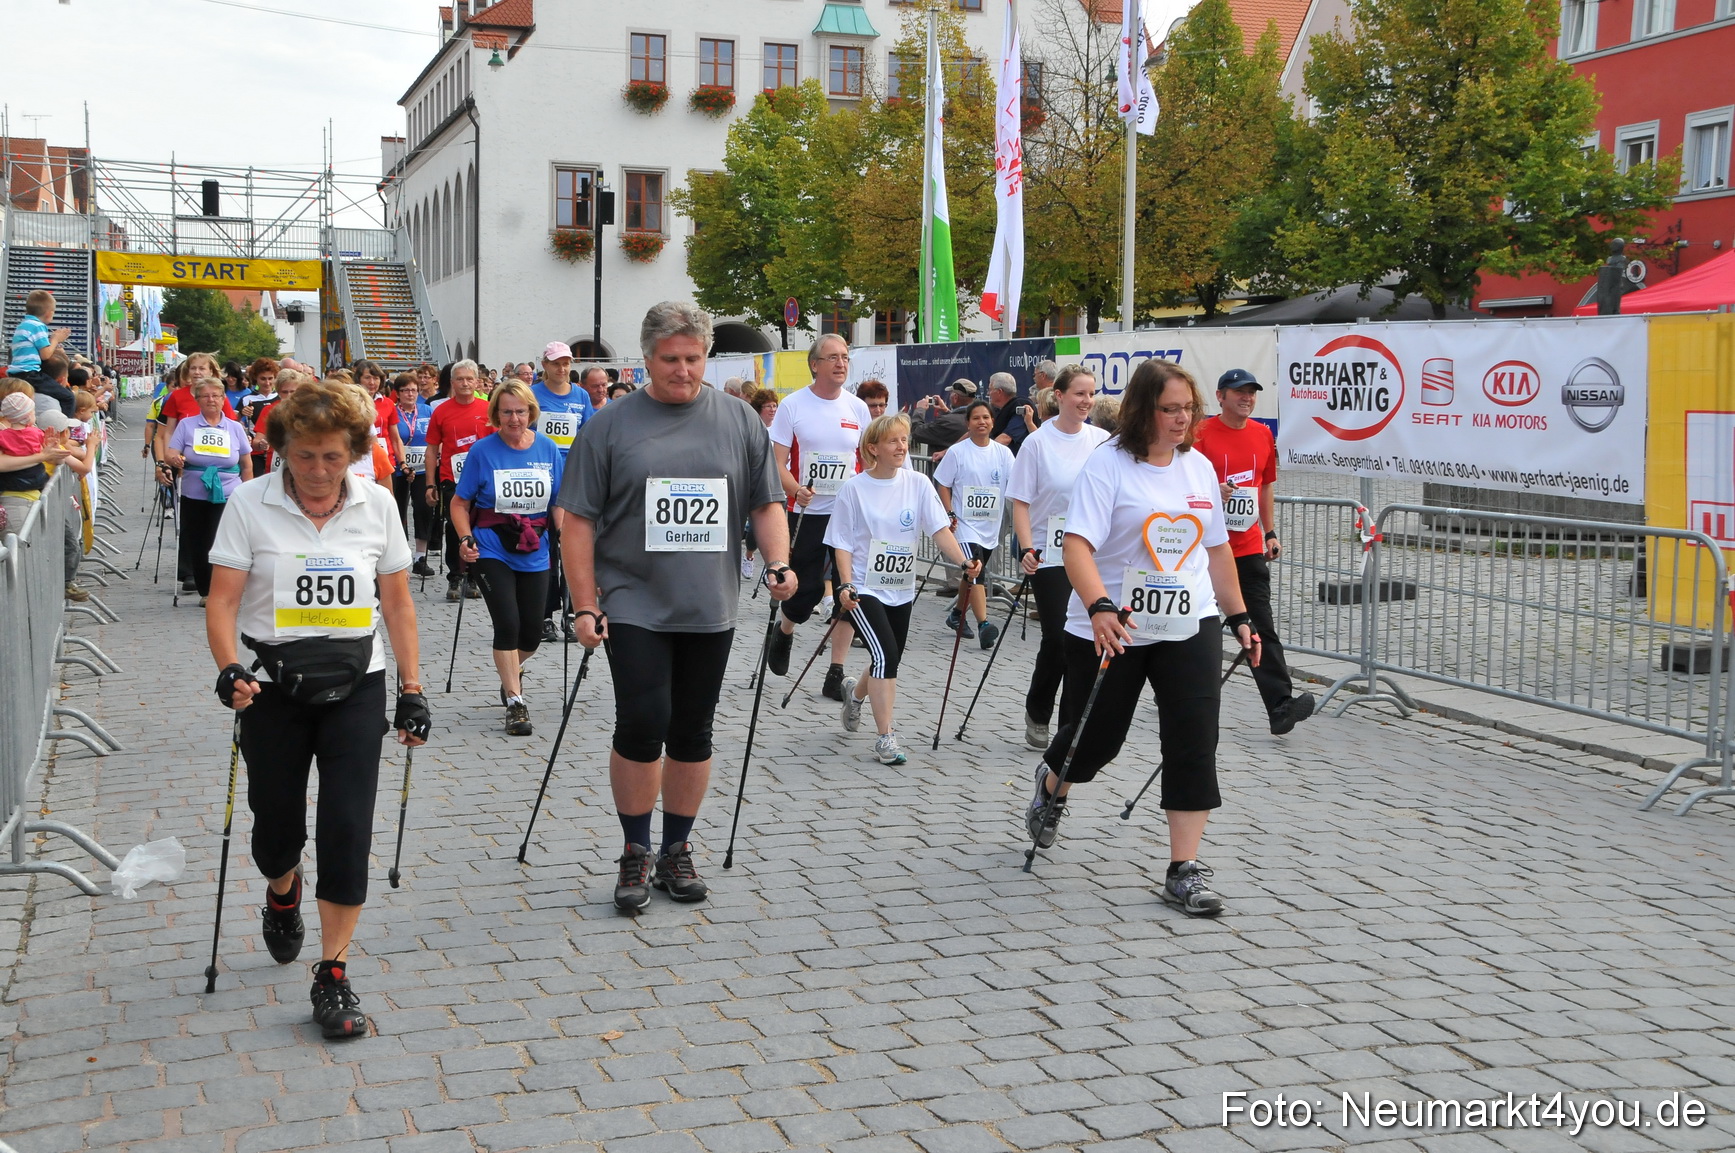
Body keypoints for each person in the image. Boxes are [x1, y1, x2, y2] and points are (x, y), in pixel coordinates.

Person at [206, 378, 431, 1039]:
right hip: (271, 686)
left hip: (357, 684)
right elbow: (221, 602)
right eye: (304, 455)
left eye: (332, 456)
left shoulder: (378, 505)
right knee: (275, 826)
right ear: (283, 448)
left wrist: (412, 688)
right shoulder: (250, 503)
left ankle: (332, 972)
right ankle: (282, 889)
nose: (318, 470)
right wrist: (228, 669)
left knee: (346, 824)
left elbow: (397, 604)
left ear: (355, 451)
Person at [556, 301, 792, 912]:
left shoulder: (740, 421)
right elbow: (577, 521)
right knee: (642, 720)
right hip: (633, 598)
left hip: (709, 601)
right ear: (647, 358)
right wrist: (584, 604)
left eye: (692, 359)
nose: (682, 371)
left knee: (692, 728)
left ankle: (676, 849)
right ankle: (635, 850)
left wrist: (778, 563)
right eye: (670, 360)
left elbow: (766, 504)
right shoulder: (608, 425)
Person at [1027, 360, 1260, 916]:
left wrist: (1239, 617)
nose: (1182, 420)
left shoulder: (1198, 468)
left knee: (1194, 734)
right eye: (1170, 409)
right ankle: (1054, 782)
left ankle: (1184, 868)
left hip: (1188, 620)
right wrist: (1099, 604)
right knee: (1098, 741)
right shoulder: (1106, 465)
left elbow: (1217, 549)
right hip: (1114, 623)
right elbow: (1077, 545)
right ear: (1142, 410)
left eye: (1189, 409)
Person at [829, 413, 980, 766]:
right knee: (884, 655)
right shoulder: (854, 489)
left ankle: (856, 693)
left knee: (890, 655)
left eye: (905, 440)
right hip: (865, 586)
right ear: (873, 449)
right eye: (893, 441)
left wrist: (964, 562)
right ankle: (885, 737)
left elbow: (940, 530)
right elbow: (842, 542)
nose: (902, 447)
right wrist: (846, 583)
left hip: (900, 586)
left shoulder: (917, 484)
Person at [1194, 368, 1315, 735]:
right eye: (1239, 392)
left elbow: (1264, 487)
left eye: (1251, 393)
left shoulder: (1263, 434)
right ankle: (1177, 687)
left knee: (1260, 626)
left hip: (1246, 548)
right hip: (1203, 548)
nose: (1246, 398)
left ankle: (1281, 706)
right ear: (1221, 396)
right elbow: (1182, 478)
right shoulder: (1200, 434)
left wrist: (1270, 532)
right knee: (1195, 626)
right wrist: (1214, 489)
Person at [450, 380, 564, 736]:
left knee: (531, 634)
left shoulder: (547, 449)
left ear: (532, 412)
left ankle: (510, 673)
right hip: (491, 546)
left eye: (520, 411)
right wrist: (465, 538)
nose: (514, 419)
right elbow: (459, 502)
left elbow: (558, 502)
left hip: (535, 546)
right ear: (495, 414)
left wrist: (568, 537)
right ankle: (516, 702)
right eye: (506, 412)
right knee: (508, 625)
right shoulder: (483, 451)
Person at [1007, 366, 1110, 751]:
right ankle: (1038, 710)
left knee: (1083, 641)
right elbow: (1021, 502)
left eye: (1091, 394)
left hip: (1092, 552)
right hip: (1050, 554)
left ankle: (1070, 724)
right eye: (1079, 394)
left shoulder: (1102, 441)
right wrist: (1027, 548)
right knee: (1056, 637)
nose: (1086, 401)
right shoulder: (1038, 443)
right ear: (1061, 396)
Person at [766, 333, 870, 701]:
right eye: (833, 358)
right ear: (815, 364)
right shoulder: (793, 406)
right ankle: (786, 627)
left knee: (848, 591)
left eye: (845, 357)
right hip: (807, 513)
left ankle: (835, 672)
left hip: (847, 516)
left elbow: (866, 461)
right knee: (807, 589)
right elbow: (776, 464)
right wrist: (796, 490)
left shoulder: (857, 408)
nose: (841, 363)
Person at [933, 399, 1015, 650]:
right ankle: (984, 624)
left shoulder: (1003, 453)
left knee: (971, 573)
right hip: (964, 525)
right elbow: (943, 484)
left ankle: (957, 615)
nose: (982, 422)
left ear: (992, 422)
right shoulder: (958, 452)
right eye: (976, 418)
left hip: (990, 527)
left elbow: (1017, 484)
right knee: (976, 569)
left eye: (986, 418)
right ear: (968, 423)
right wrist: (949, 514)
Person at [530, 341, 597, 643]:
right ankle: (544, 614)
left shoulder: (580, 395)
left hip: (571, 482)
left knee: (571, 546)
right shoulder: (533, 395)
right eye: (557, 363)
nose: (563, 369)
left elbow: (588, 435)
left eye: (567, 363)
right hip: (539, 480)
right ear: (544, 365)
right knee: (544, 549)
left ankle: (571, 613)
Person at [166, 378, 253, 603]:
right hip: (194, 492)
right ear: (197, 400)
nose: (211, 400)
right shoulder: (187, 425)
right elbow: (171, 452)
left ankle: (222, 589)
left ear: (223, 399)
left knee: (221, 540)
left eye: (216, 395)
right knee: (198, 541)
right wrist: (175, 459)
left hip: (228, 492)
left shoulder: (234, 427)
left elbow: (246, 463)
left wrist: (249, 491)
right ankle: (206, 591)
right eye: (205, 396)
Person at [424, 360, 492, 602]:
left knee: (479, 526)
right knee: (454, 527)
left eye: (469, 379)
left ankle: (475, 575)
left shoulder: (488, 409)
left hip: (484, 480)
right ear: (452, 383)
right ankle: (455, 576)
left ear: (477, 382)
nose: (465, 383)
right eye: (460, 379)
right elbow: (431, 449)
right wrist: (430, 484)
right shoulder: (441, 411)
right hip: (452, 479)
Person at [392, 374, 436, 574]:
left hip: (422, 468)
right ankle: (399, 555)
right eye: (405, 390)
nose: (410, 394)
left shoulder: (427, 410)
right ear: (398, 393)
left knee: (423, 508)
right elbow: (393, 439)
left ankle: (420, 556)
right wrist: (403, 465)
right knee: (397, 510)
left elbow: (436, 436)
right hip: (398, 468)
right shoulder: (393, 412)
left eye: (414, 390)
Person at [7, 290, 71, 397]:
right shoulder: (38, 326)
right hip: (29, 373)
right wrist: (55, 339)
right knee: (67, 396)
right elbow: (45, 355)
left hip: (16, 372)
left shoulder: (23, 325)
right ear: (49, 313)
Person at [910, 379, 976, 455]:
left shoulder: (947, 422)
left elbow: (917, 432)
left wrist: (920, 409)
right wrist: (947, 411)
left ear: (955, 398)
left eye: (951, 393)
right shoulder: (976, 419)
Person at [988, 373, 1033, 454]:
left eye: (990, 390)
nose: (988, 393)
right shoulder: (997, 410)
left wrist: (984, 453)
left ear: (999, 392)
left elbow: (1006, 439)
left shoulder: (1020, 407)